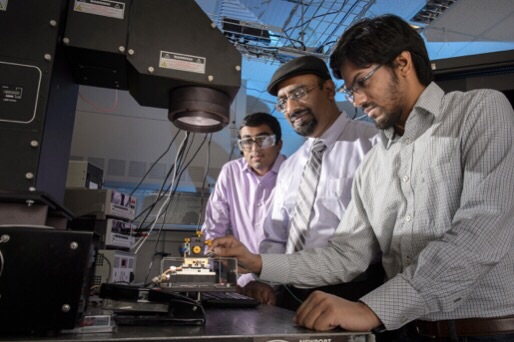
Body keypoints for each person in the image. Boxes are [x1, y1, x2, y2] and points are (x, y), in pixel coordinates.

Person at [210, 14, 514, 341]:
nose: (356, 99)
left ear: (402, 63)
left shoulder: (478, 112)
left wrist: (373, 309)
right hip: (404, 329)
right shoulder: (374, 162)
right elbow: (346, 254)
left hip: (482, 329)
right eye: (349, 88)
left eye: (362, 82)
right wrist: (257, 262)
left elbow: (481, 229)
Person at [240, 55, 382, 309]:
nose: (291, 108)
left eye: (299, 93)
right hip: (289, 292)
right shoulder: (290, 166)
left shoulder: (373, 145)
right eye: (283, 101)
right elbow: (276, 237)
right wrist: (263, 280)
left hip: (350, 294)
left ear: (328, 90)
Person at [201, 112, 286, 286]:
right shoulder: (231, 172)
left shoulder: (295, 172)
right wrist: (209, 269)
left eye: (263, 140)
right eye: (247, 141)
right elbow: (214, 227)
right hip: (242, 278)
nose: (255, 149)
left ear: (278, 144)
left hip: (285, 279)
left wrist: (261, 276)